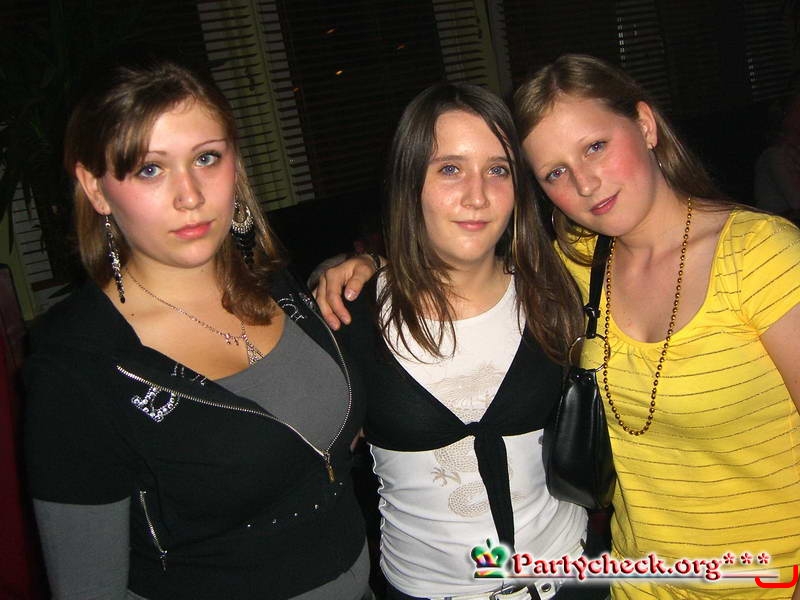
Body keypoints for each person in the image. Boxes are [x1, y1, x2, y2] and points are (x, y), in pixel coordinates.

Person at [316, 54, 800, 600]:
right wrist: (367, 267)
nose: (586, 182)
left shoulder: (758, 255)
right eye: (554, 172)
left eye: (595, 146)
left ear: (645, 124)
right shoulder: (575, 266)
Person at [23, 54, 369, 600]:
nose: (190, 195)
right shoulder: (76, 367)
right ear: (95, 187)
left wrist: (370, 266)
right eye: (150, 169)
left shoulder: (275, 282)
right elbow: (87, 587)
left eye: (206, 158)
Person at [332, 82, 608, 600]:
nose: (477, 196)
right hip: (425, 591)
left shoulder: (555, 293)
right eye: (450, 169)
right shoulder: (352, 317)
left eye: (497, 170)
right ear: (410, 182)